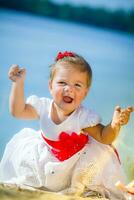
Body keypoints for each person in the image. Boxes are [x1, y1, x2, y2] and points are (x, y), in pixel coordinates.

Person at [0, 51, 133, 198]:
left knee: (83, 183)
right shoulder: (43, 107)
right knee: (30, 180)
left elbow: (104, 137)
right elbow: (18, 111)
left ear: (85, 93)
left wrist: (115, 124)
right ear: (50, 86)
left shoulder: (83, 117)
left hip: (73, 163)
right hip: (45, 157)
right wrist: (18, 83)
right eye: (62, 83)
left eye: (77, 85)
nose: (69, 88)